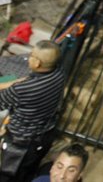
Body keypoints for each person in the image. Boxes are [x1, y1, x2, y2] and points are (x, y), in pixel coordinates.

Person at [0, 41, 66, 182]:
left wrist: (5, 84)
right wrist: (7, 83)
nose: (28, 57)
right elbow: (25, 81)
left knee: (8, 176)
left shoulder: (20, 90)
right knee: (28, 172)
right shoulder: (58, 73)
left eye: (31, 55)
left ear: (37, 63)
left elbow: (6, 97)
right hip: (44, 135)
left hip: (20, 144)